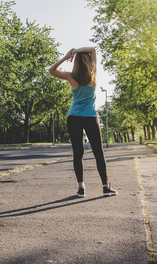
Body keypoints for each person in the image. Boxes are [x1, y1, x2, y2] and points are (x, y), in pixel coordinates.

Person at [49, 47, 117, 198]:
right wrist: (77, 51)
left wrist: (67, 55)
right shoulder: (93, 75)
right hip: (90, 117)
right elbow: (93, 50)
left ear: (76, 63)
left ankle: (81, 188)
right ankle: (105, 187)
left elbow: (51, 70)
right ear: (88, 62)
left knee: (78, 153)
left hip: (73, 118)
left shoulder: (71, 77)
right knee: (98, 153)